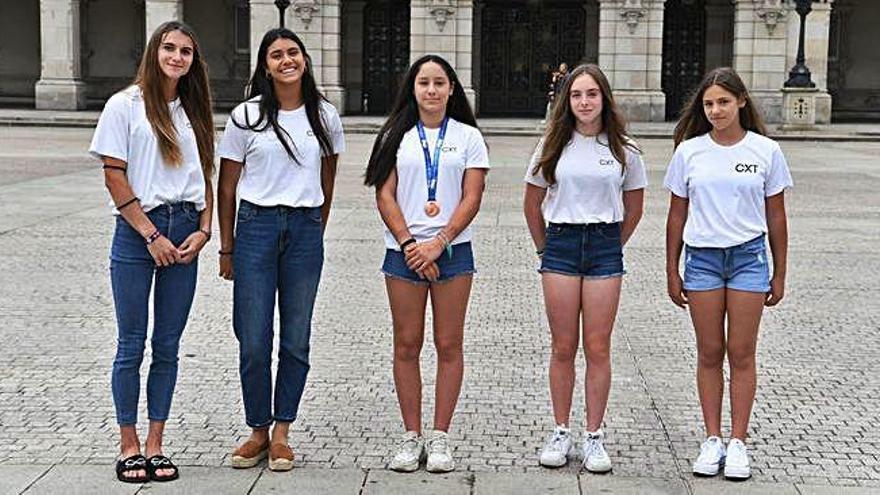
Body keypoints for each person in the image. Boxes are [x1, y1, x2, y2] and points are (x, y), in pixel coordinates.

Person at [90, 21, 215, 483]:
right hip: (136, 232)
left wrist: (204, 232)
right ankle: (129, 444)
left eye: (186, 51)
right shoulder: (124, 106)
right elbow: (114, 173)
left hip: (184, 231)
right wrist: (149, 235)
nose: (177, 57)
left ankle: (157, 444)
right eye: (169, 48)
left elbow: (207, 176)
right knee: (130, 343)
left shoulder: (194, 110)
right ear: (154, 50)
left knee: (167, 345)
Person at [216, 28, 345, 472]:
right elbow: (227, 185)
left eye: (293, 53)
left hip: (304, 230)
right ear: (265, 66)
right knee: (252, 338)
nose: (286, 60)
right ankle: (257, 429)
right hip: (256, 227)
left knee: (296, 336)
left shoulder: (325, 115)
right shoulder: (246, 116)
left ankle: (283, 431)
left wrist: (316, 228)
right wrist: (227, 248)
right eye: (276, 55)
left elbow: (328, 179)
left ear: (304, 60)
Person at [663, 67, 792, 480]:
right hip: (701, 258)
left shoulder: (765, 151)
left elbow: (776, 215)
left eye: (723, 101)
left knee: (741, 351)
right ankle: (712, 437)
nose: (716, 110)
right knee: (708, 351)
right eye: (708, 103)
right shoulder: (689, 151)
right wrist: (671, 267)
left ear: (740, 101)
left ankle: (738, 441)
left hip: (748, 258)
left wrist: (780, 272)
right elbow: (676, 213)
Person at [364, 54, 489, 473]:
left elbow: (472, 197)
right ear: (412, 89)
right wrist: (409, 244)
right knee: (407, 344)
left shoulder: (469, 136)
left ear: (452, 89)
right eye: (424, 83)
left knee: (449, 344)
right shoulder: (394, 135)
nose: (431, 90)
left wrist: (439, 242)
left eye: (439, 83)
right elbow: (385, 195)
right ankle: (410, 435)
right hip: (403, 254)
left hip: (452, 252)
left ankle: (440, 437)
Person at [524, 64, 646, 472]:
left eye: (592, 94)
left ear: (604, 98)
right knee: (562, 346)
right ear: (567, 100)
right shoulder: (552, 145)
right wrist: (545, 248)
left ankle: (594, 435)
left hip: (604, 247)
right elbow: (531, 202)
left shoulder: (623, 149)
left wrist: (612, 244)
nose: (584, 102)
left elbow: (634, 206)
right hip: (560, 245)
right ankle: (561, 430)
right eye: (576, 95)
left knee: (597, 346)